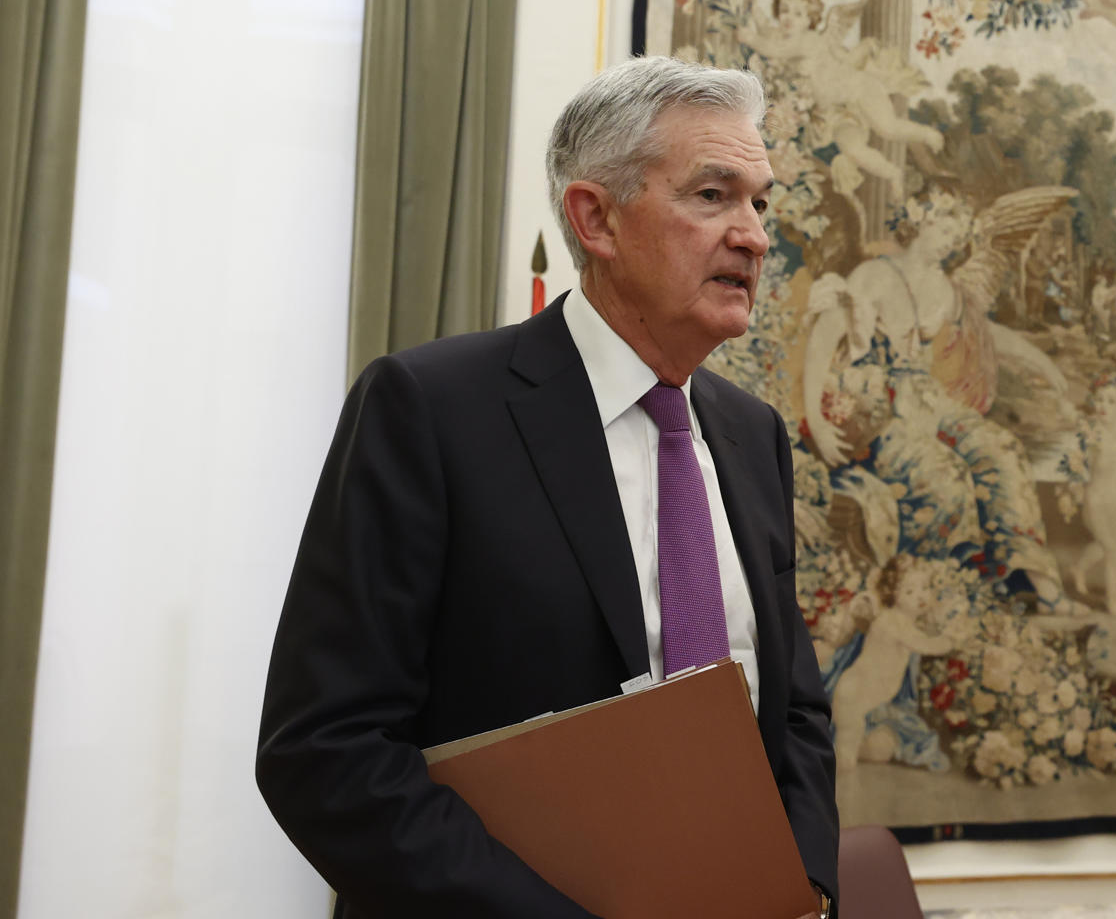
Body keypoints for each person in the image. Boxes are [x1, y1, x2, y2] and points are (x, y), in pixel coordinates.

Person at [256, 57, 837, 917]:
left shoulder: (752, 437)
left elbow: (793, 715)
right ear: (594, 218)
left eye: (761, 201)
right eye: (713, 196)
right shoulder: (430, 411)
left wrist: (803, 888)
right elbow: (326, 750)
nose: (753, 234)